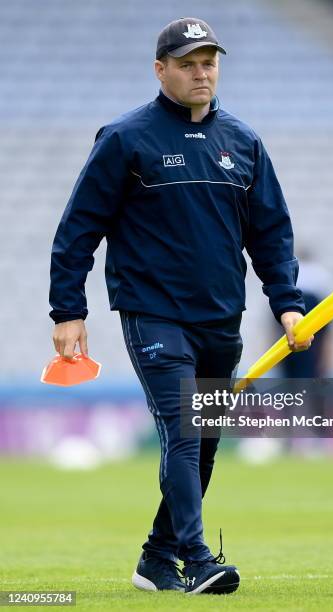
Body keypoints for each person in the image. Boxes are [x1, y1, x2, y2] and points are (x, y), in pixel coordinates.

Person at [49, 17, 312, 595]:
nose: (201, 73)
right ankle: (197, 558)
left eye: (209, 62)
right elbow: (78, 229)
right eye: (188, 63)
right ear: (161, 69)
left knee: (205, 442)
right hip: (153, 313)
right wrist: (68, 311)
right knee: (184, 430)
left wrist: (288, 305)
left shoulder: (243, 142)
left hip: (222, 317)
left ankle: (157, 559)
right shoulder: (125, 138)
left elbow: (271, 233)